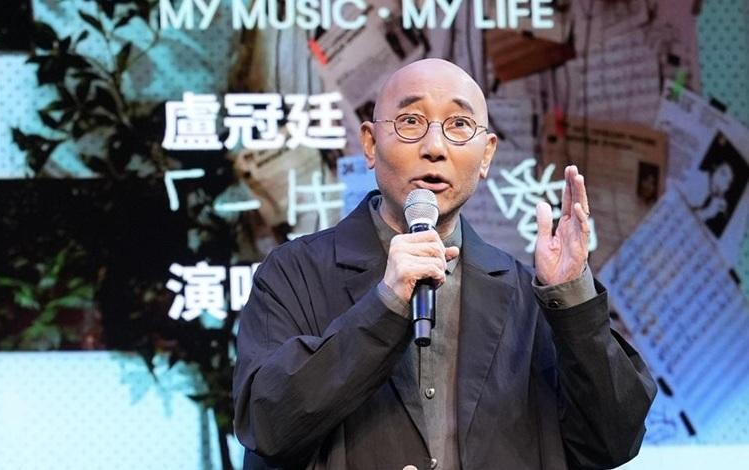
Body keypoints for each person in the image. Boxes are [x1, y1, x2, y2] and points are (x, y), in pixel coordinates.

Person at [233, 58, 656, 470]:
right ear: (370, 144)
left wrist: (572, 296)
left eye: (459, 125)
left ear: (486, 155)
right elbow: (264, 425)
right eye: (411, 121)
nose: (434, 148)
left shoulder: (527, 295)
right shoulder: (295, 273)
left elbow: (612, 441)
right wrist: (385, 305)